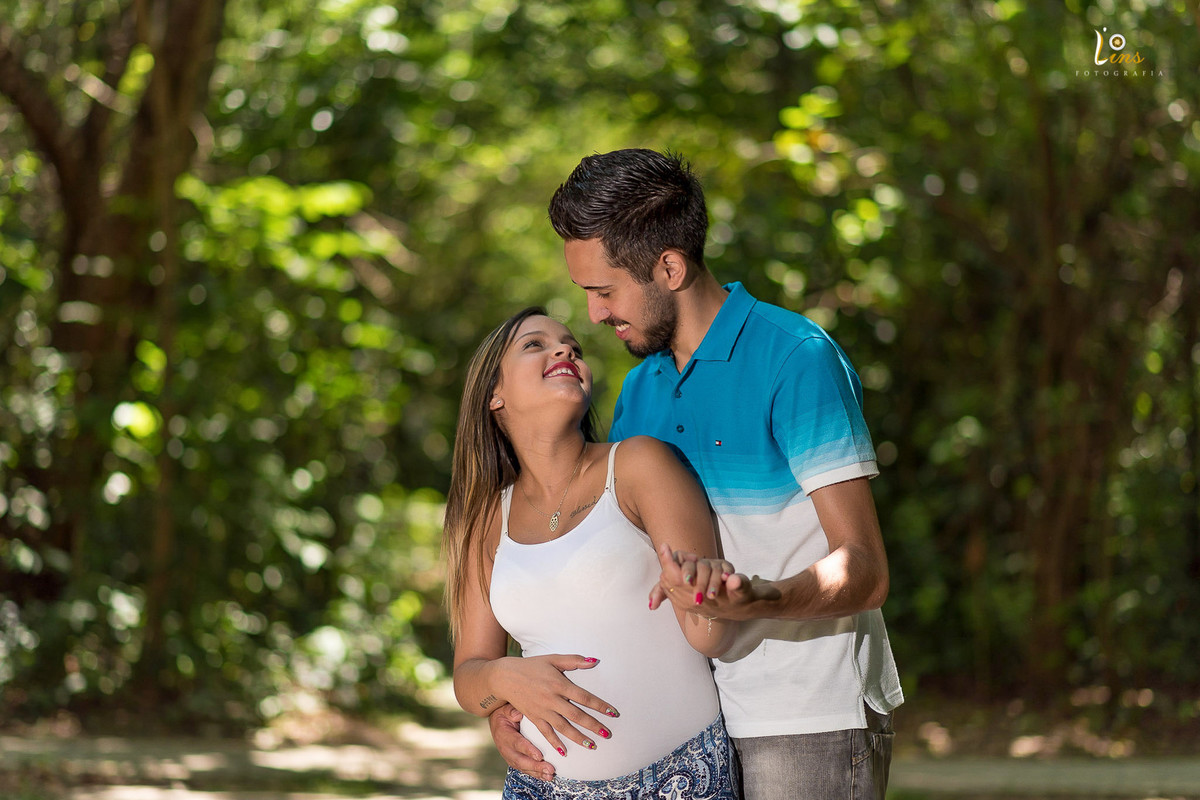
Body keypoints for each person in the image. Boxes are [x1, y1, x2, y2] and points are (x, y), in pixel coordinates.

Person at [488, 149, 904, 800]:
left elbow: (866, 569)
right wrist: (509, 700)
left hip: (805, 714)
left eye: (604, 291)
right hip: (700, 727)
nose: (593, 314)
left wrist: (758, 598)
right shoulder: (640, 390)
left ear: (670, 268)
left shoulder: (794, 356)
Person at [443, 306, 741, 800]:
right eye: (535, 345)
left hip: (682, 779)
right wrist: (505, 678)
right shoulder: (486, 520)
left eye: (572, 347)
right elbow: (469, 679)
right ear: (494, 395)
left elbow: (712, 636)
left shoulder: (641, 464)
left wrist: (705, 595)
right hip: (543, 788)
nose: (565, 350)